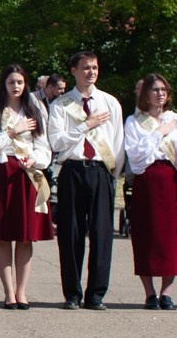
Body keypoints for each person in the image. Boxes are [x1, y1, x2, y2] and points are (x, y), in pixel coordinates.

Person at [0, 65, 54, 309]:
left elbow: (44, 146)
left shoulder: (35, 109)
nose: (16, 86)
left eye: (20, 81)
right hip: (1, 172)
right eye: (11, 82)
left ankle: (22, 291)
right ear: (4, 84)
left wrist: (36, 160)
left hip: (27, 174)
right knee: (2, 235)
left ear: (25, 83)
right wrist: (11, 132)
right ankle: (8, 291)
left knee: (25, 235)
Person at [47, 51, 123, 310]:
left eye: (95, 68)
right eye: (86, 68)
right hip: (72, 170)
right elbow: (56, 142)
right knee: (70, 233)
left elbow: (118, 143)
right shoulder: (61, 104)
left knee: (102, 234)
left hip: (101, 172)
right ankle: (72, 293)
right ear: (74, 71)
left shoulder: (110, 102)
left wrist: (112, 173)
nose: (91, 72)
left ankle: (96, 294)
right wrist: (85, 125)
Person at [122, 73, 177, 308]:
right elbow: (136, 157)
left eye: (164, 89)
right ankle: (149, 293)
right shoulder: (134, 122)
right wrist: (159, 132)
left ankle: (166, 292)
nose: (160, 94)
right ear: (145, 94)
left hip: (171, 183)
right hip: (146, 183)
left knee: (171, 239)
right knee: (145, 237)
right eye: (155, 89)